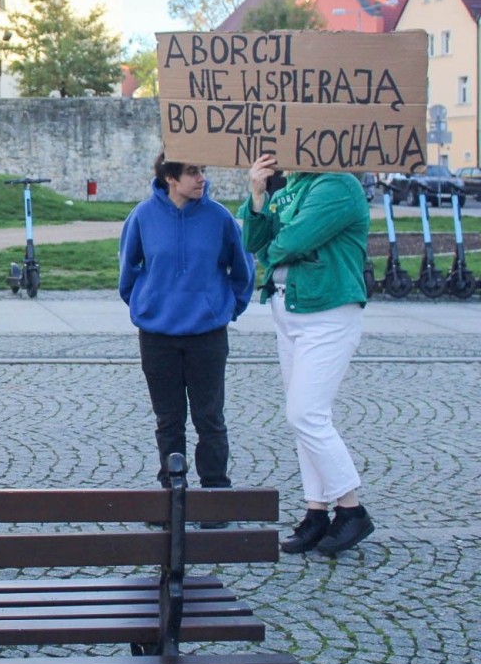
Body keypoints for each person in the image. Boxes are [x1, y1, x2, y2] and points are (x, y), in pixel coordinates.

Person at [239, 154, 375, 556]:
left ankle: (351, 509)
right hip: (291, 310)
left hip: (328, 311)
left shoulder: (338, 185)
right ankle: (317, 512)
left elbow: (290, 242)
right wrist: (257, 196)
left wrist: (274, 242)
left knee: (305, 414)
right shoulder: (293, 185)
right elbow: (253, 242)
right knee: (306, 421)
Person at [118, 154, 254, 522]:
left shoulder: (219, 218)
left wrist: (225, 309)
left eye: (203, 170)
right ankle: (171, 497)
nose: (202, 179)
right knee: (168, 420)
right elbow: (128, 271)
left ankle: (214, 496)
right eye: (193, 172)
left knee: (210, 418)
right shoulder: (143, 217)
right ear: (169, 178)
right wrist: (146, 306)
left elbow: (242, 269)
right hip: (158, 336)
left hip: (207, 336)